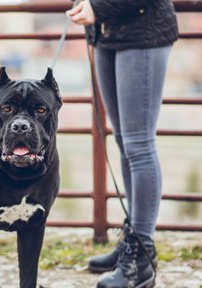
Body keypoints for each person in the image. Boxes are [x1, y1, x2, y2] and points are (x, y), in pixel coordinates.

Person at [67, 0, 178, 287]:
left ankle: (140, 258)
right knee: (123, 140)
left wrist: (98, 8)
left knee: (139, 145)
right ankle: (136, 242)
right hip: (107, 33)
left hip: (143, 33)